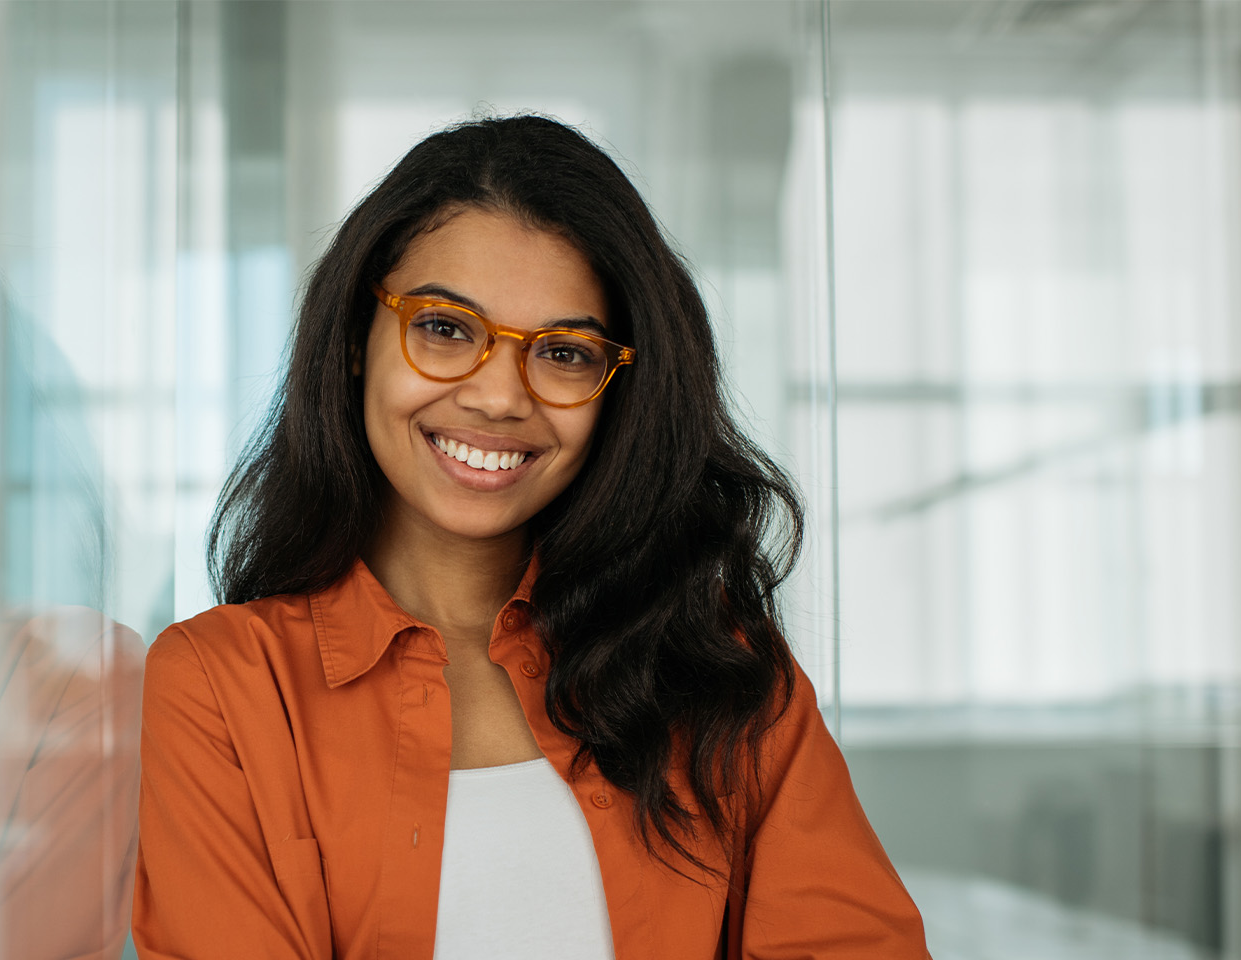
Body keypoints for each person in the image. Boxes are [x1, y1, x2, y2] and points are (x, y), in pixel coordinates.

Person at [131, 115, 929, 959]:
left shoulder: (716, 662)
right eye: (444, 328)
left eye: (566, 353)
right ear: (357, 341)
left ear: (618, 391)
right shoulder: (219, 689)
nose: (501, 397)